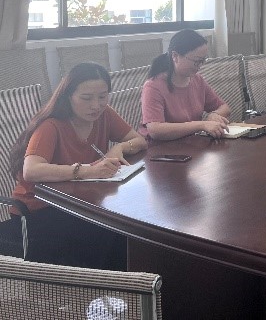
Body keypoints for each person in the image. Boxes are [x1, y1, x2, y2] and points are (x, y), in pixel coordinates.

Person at [8, 62, 147, 270]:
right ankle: (102, 285)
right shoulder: (51, 125)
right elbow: (31, 170)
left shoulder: (104, 115)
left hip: (80, 201)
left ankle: (127, 283)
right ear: (68, 96)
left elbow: (139, 140)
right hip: (39, 208)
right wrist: (86, 170)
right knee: (111, 233)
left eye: (103, 96)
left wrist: (119, 148)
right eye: (86, 98)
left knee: (128, 227)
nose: (96, 105)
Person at [141, 29, 231, 140]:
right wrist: (201, 125)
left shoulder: (197, 80)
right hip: (160, 148)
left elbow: (224, 108)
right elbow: (155, 130)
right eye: (196, 61)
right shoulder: (153, 86)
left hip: (191, 143)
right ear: (175, 56)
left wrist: (215, 114)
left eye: (202, 60)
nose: (200, 66)